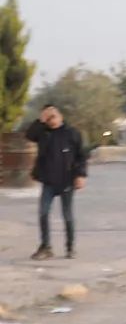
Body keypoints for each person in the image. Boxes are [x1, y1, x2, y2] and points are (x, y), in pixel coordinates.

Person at [25, 105, 87, 261]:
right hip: (49, 182)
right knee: (43, 213)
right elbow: (29, 135)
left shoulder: (71, 134)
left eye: (54, 116)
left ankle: (70, 247)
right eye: (48, 117)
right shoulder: (43, 133)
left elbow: (81, 156)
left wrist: (80, 175)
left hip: (67, 180)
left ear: (60, 116)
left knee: (67, 216)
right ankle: (46, 247)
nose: (51, 119)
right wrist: (41, 120)